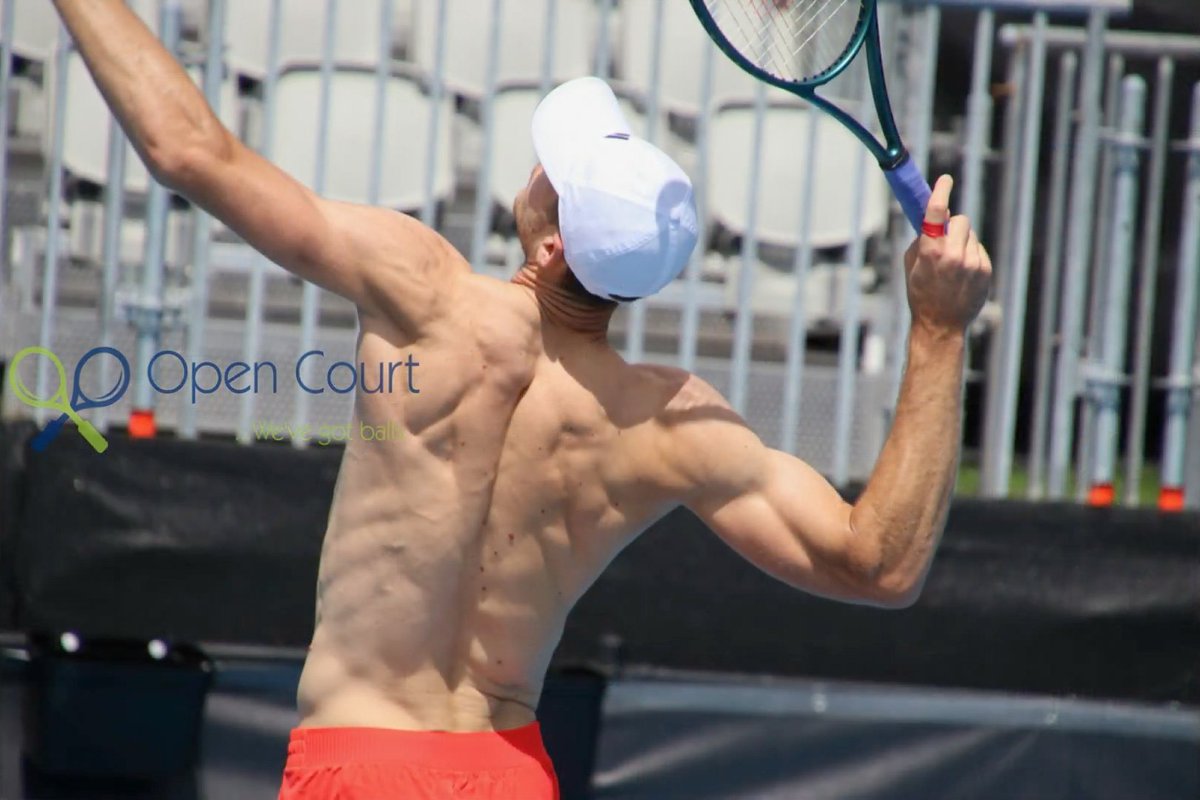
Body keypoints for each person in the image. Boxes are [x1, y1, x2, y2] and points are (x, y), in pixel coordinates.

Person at [52, 2, 992, 797]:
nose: (536, 171)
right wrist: (939, 333)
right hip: (507, 772)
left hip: (363, 759)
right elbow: (880, 568)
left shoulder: (427, 293)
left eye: (554, 174)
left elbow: (187, 150)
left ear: (551, 246)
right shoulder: (669, 422)